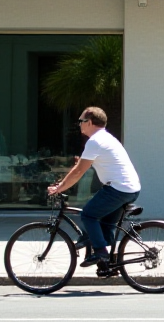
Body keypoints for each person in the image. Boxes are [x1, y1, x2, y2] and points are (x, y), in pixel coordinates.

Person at [48, 107, 140, 267]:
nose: (79, 125)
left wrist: (59, 188)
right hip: (128, 188)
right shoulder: (105, 138)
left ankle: (100, 253)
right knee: (104, 226)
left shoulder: (95, 141)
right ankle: (107, 265)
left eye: (81, 121)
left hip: (118, 189)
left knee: (88, 215)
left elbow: (78, 172)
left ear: (89, 122)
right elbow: (84, 166)